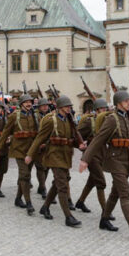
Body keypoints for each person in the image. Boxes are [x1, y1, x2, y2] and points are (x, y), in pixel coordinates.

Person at [80, 90, 129, 238]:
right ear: (118, 103)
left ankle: (104, 220)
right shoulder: (112, 119)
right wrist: (85, 159)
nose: (128, 103)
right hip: (114, 159)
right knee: (125, 192)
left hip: (126, 159)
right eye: (126, 101)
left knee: (115, 193)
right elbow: (98, 139)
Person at [27, 96, 86, 228]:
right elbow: (39, 138)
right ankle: (68, 216)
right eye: (66, 107)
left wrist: (79, 145)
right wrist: (30, 154)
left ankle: (45, 207)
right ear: (59, 108)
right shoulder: (50, 121)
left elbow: (71, 139)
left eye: (69, 107)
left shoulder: (69, 121)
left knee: (60, 181)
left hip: (65, 155)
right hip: (53, 155)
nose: (69, 109)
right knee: (62, 185)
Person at [0, 94, 39, 216]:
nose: (29, 104)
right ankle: (29, 203)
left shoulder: (34, 115)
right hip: (19, 150)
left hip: (31, 150)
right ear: (21, 104)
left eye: (30, 102)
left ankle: (18, 198)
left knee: (25, 175)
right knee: (25, 175)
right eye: (26, 102)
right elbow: (5, 133)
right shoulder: (14, 116)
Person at [75, 99, 110, 215]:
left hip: (102, 154)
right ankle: (105, 210)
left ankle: (80, 201)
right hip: (92, 155)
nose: (104, 111)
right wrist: (80, 144)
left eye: (105, 108)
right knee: (101, 182)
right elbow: (77, 133)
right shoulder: (90, 122)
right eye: (102, 109)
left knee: (92, 180)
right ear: (96, 110)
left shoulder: (107, 121)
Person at [33, 98, 52, 200]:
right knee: (40, 167)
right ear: (39, 107)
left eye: (46, 105)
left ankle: (41, 186)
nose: (45, 107)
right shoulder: (35, 116)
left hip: (48, 144)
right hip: (38, 144)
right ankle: (43, 188)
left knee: (47, 166)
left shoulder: (50, 116)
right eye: (43, 105)